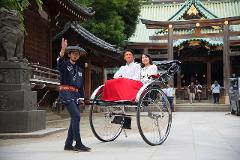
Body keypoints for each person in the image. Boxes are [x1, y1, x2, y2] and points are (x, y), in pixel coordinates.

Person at [57, 38, 91, 152]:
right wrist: (62, 49)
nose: (75, 56)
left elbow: (80, 85)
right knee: (76, 116)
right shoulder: (64, 65)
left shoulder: (80, 69)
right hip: (66, 93)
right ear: (69, 54)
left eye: (77, 54)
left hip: (76, 94)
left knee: (74, 118)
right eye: (73, 54)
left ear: (79, 56)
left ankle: (68, 144)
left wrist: (81, 98)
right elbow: (59, 60)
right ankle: (78, 143)